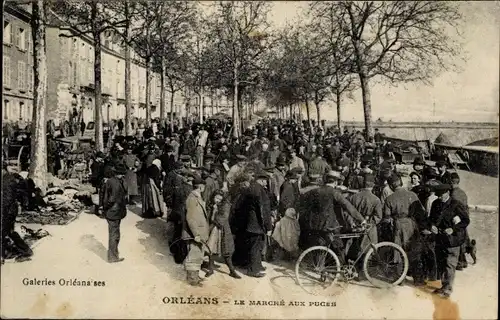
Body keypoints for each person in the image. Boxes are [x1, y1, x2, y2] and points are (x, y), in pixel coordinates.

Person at [425, 183, 470, 298]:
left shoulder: (456, 205)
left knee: (450, 264)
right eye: (438, 195)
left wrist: (453, 229)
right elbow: (431, 219)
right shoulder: (435, 203)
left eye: (442, 195)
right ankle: (443, 286)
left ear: (448, 192)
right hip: (440, 238)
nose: (439, 197)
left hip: (452, 240)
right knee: (441, 263)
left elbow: (465, 220)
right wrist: (432, 226)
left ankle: (448, 289)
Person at [206, 190, 242, 279]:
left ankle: (232, 270)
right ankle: (210, 268)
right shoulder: (211, 204)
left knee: (226, 251)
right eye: (216, 198)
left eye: (219, 198)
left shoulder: (225, 206)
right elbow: (208, 216)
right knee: (211, 248)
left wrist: (214, 213)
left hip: (223, 230)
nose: (217, 200)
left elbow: (222, 219)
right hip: (213, 230)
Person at [182, 176, 209, 287]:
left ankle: (195, 276)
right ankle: (192, 279)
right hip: (194, 233)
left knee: (198, 255)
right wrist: (196, 234)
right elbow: (190, 218)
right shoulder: (192, 198)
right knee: (193, 255)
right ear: (201, 186)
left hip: (198, 232)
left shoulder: (197, 197)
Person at [102, 163, 128, 263]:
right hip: (114, 211)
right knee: (114, 234)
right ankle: (112, 257)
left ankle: (114, 254)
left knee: (115, 233)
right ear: (119, 174)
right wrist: (108, 207)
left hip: (114, 211)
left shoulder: (113, 181)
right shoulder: (115, 183)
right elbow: (111, 199)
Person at [449, 172, 469, 270]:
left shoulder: (453, 194)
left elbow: (453, 208)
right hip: (464, 218)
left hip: (457, 219)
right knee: (463, 239)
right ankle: (463, 261)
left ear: (451, 182)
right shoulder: (462, 192)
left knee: (457, 240)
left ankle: (460, 262)